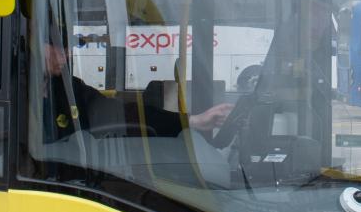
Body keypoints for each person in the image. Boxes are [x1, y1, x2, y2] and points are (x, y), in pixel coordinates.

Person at [39, 33, 233, 144]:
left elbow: (122, 113)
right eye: (58, 46)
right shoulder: (14, 93)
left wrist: (192, 121)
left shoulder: (69, 88)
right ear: (35, 41)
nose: (67, 54)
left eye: (67, 48)